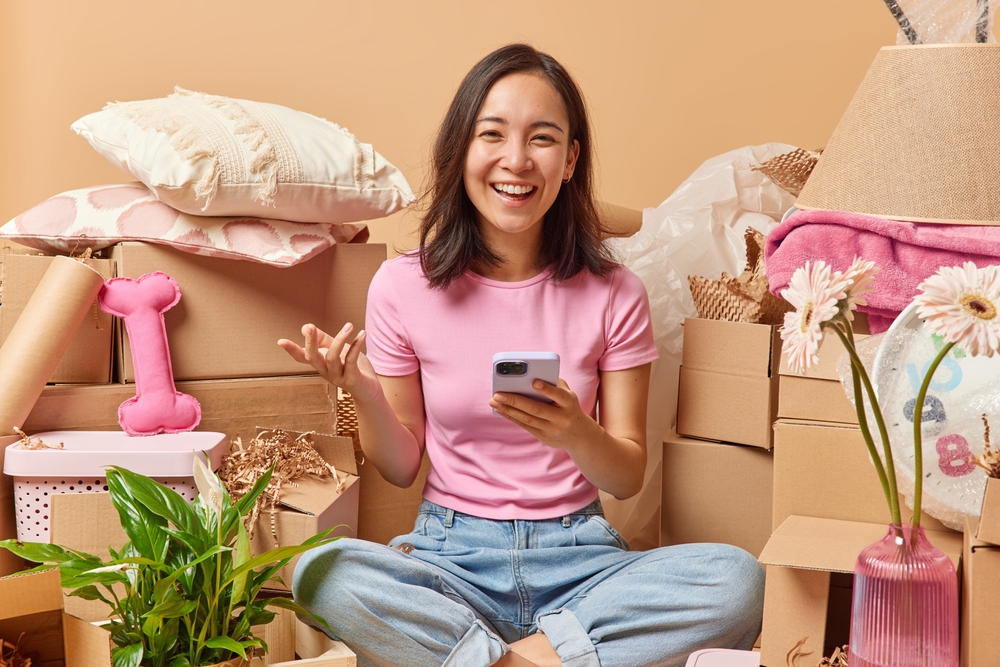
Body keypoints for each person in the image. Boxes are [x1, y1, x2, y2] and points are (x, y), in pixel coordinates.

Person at [278, 43, 764, 667]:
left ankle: (487, 658)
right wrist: (362, 390)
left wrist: (575, 431)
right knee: (321, 571)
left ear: (569, 161)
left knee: (738, 579)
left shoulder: (615, 293)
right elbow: (401, 467)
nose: (516, 159)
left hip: (582, 559)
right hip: (450, 559)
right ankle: (546, 658)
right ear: (461, 151)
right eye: (493, 134)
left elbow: (625, 476)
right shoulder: (404, 286)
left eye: (542, 138)